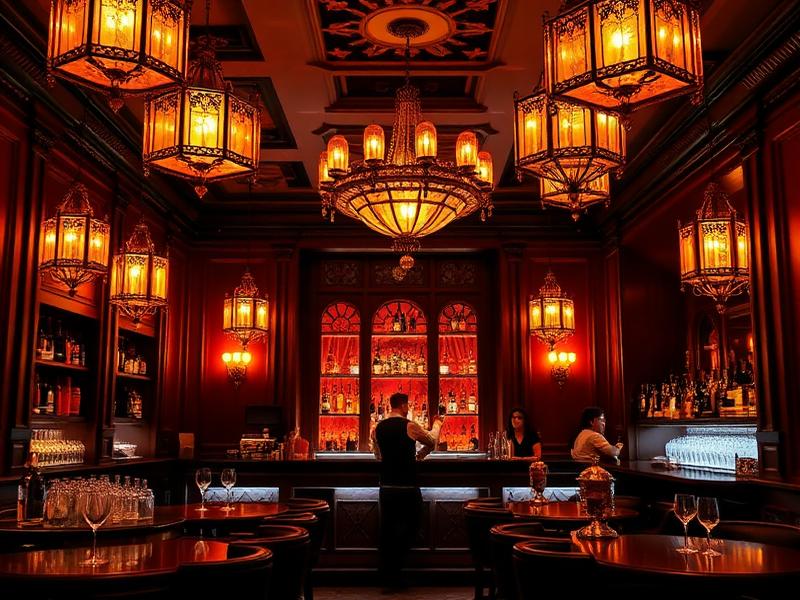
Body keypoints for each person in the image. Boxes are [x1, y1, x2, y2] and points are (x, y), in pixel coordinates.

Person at [370, 392, 443, 588]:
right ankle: (396, 573)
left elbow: (377, 456)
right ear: (403, 406)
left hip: (386, 486)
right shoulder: (409, 425)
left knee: (388, 531)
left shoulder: (377, 428)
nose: (408, 408)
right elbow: (431, 441)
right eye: (407, 405)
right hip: (407, 486)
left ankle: (388, 577)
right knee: (412, 527)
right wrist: (437, 424)